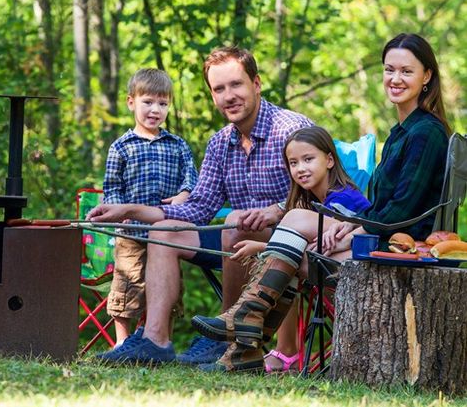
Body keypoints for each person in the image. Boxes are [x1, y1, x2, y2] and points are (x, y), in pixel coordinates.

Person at [192, 32, 451, 372]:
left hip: (403, 246)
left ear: (426, 76)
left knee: (298, 220)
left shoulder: (426, 133)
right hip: (383, 235)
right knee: (294, 247)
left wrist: (354, 226)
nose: (395, 79)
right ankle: (245, 344)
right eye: (389, 70)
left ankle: (245, 324)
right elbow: (383, 207)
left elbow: (402, 212)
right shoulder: (401, 132)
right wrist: (350, 224)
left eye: (406, 71)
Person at [88, 46, 313, 365]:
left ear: (257, 84)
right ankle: (155, 341)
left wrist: (277, 210)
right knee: (164, 232)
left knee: (235, 221)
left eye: (236, 84)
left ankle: (228, 335)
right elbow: (195, 210)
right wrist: (128, 210)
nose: (228, 96)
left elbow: (324, 194)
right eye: (219, 89)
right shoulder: (221, 142)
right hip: (234, 242)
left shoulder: (290, 128)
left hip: (288, 244)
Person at [201, 125, 371, 373]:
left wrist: (262, 247)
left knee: (283, 265)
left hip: (355, 269)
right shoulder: (316, 201)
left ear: (330, 160)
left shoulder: (343, 200)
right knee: (282, 266)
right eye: (293, 163)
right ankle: (251, 346)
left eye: (308, 159)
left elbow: (319, 250)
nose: (300, 168)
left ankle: (252, 337)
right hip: (326, 268)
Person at [103, 68, 198, 346]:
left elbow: (191, 179)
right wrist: (119, 215)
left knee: (169, 289)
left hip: (167, 233)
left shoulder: (177, 145)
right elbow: (112, 188)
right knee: (127, 287)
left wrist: (184, 194)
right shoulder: (121, 147)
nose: (155, 110)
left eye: (163, 103)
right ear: (131, 102)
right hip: (132, 233)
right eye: (148, 102)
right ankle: (123, 343)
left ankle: (160, 341)